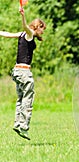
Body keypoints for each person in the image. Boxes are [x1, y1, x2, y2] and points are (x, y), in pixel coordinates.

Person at [0, 7, 46, 140]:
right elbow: (25, 26)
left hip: (16, 71)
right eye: (43, 29)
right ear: (38, 27)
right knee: (28, 97)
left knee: (21, 98)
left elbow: (6, 33)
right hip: (24, 71)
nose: (43, 32)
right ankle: (24, 126)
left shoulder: (21, 34)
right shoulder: (29, 33)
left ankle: (17, 123)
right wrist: (23, 16)